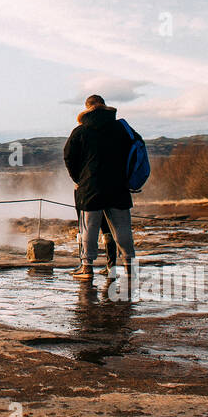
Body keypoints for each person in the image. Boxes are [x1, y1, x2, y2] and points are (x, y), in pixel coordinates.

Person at [63, 94, 137, 282]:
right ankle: (130, 267)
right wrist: (129, 178)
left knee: (89, 226)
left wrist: (79, 179)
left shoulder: (80, 131)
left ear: (87, 109)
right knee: (122, 227)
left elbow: (68, 156)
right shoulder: (122, 128)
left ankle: (87, 268)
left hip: (90, 187)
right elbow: (136, 151)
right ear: (104, 107)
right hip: (118, 185)